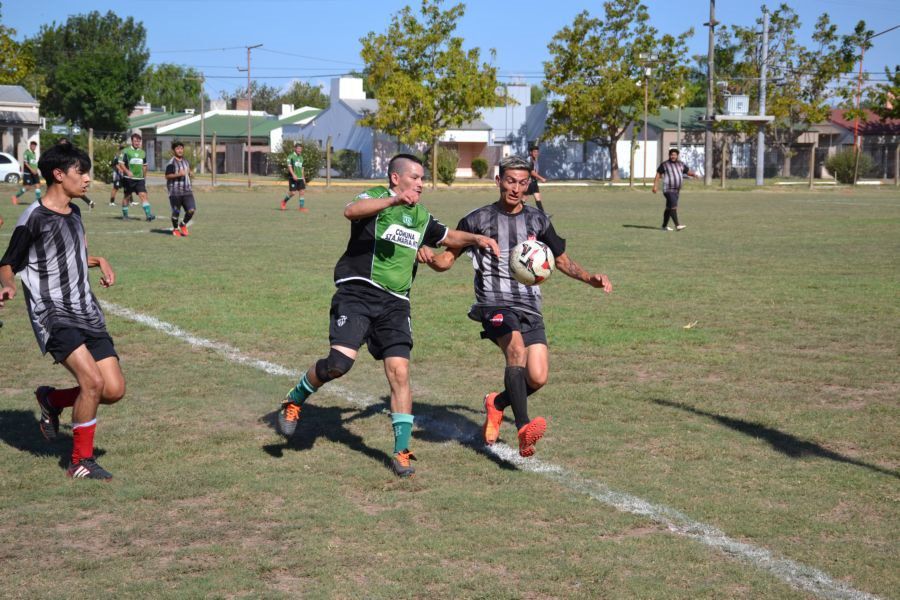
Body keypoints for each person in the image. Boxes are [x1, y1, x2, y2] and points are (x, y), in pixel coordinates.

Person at [275, 153, 500, 477]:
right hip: (358, 293)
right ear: (396, 178)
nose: (421, 183)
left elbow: (449, 236)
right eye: (416, 177)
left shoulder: (421, 216)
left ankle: (400, 451)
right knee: (339, 364)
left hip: (396, 304)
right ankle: (294, 401)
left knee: (399, 373)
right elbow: (350, 211)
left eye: (423, 178)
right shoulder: (376, 198)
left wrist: (476, 239)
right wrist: (394, 201)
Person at [420, 155, 612, 457]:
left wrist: (590, 278)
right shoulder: (476, 220)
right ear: (499, 181)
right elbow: (447, 260)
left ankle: (496, 404)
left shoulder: (538, 220)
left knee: (537, 376)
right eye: (511, 181)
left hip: (529, 306)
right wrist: (430, 258)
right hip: (493, 303)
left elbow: (561, 260)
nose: (516, 189)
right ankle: (523, 429)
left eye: (523, 183)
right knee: (516, 350)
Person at [0, 143, 125, 480]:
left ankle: (52, 400)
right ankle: (79, 461)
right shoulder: (34, 216)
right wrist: (8, 285)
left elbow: (74, 256)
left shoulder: (76, 213)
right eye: (80, 172)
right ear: (58, 174)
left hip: (86, 308)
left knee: (113, 390)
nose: (86, 179)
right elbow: (8, 263)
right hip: (52, 311)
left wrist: (101, 260)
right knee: (92, 381)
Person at [652, 148, 699, 231]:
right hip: (668, 189)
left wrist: (694, 174)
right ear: (669, 155)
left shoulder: (681, 164)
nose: (673, 156)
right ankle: (677, 225)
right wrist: (655, 186)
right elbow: (658, 175)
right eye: (671, 155)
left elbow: (687, 171)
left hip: (676, 190)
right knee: (673, 207)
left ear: (677, 155)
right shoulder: (664, 164)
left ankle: (664, 226)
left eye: (674, 155)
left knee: (668, 208)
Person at [118, 133, 156, 221]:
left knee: (143, 195)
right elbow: (121, 163)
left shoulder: (142, 152)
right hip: (128, 179)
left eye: (139, 141)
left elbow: (145, 165)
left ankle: (148, 215)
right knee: (127, 197)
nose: (137, 143)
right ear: (132, 141)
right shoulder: (126, 151)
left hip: (140, 179)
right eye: (135, 141)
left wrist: (144, 177)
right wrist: (127, 171)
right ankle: (125, 215)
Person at [165, 141, 196, 237]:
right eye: (178, 148)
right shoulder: (171, 163)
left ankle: (182, 224)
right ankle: (175, 229)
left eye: (181, 148)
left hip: (187, 191)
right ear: (174, 150)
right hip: (175, 192)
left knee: (191, 210)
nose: (180, 150)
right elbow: (167, 176)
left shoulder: (186, 161)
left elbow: (187, 171)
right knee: (176, 212)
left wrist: (190, 173)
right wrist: (179, 174)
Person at [54, 138, 96, 209]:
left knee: (78, 188)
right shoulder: (54, 158)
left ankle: (88, 201)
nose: (88, 179)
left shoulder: (73, 159)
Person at [12, 141, 42, 206]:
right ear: (30, 146)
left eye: (35, 146)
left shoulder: (34, 153)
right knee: (27, 187)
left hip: (34, 172)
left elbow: (34, 163)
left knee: (38, 185)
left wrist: (36, 169)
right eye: (33, 145)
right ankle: (15, 197)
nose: (34, 147)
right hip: (28, 173)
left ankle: (38, 201)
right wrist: (32, 170)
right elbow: (26, 163)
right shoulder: (27, 153)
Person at [280, 141, 307, 212]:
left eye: (300, 149)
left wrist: (303, 177)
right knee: (293, 193)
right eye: (298, 149)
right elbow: (289, 167)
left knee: (302, 192)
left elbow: (302, 168)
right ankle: (284, 202)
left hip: (300, 178)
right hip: (293, 177)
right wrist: (293, 174)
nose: (299, 150)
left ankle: (301, 207)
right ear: (295, 149)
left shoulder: (301, 157)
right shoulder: (291, 156)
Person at [524, 145, 547, 213]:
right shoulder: (529, 160)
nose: (536, 153)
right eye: (534, 152)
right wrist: (541, 178)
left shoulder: (535, 160)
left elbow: (535, 171)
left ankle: (543, 214)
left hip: (533, 182)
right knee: (524, 198)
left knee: (538, 198)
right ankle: (513, 212)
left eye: (537, 152)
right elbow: (531, 172)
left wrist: (537, 178)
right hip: (529, 182)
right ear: (531, 152)